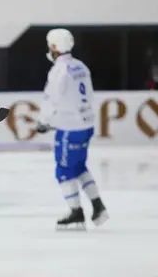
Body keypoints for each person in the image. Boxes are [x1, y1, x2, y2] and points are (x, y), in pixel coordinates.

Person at [36, 28, 108, 229]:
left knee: (64, 171)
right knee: (79, 167)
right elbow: (90, 95)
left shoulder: (59, 71)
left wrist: (43, 121)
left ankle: (76, 213)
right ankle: (98, 205)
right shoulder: (80, 66)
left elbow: (52, 99)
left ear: (55, 47)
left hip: (70, 128)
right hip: (86, 124)